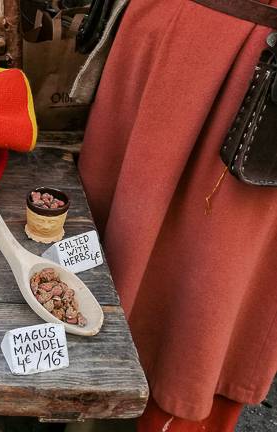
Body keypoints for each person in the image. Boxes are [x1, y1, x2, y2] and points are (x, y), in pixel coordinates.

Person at [78, 0, 277, 430]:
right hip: (172, 34)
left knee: (211, 286)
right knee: (108, 237)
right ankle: (81, 394)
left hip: (254, 71)